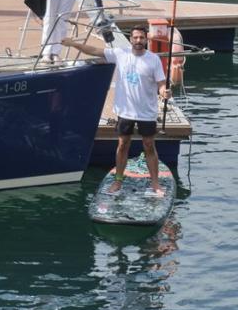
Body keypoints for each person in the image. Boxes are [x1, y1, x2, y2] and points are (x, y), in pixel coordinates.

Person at [62, 26, 171, 194]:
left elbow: (161, 83)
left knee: (149, 145)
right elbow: (94, 50)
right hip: (125, 110)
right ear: (131, 38)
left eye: (141, 38)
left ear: (146, 40)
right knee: (122, 144)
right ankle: (118, 181)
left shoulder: (153, 59)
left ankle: (155, 183)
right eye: (135, 37)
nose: (138, 41)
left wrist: (164, 91)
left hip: (146, 112)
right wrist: (73, 44)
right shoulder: (120, 53)